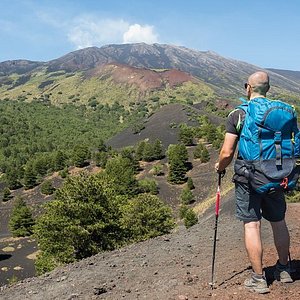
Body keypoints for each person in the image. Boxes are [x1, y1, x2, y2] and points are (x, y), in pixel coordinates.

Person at [215, 71, 293, 294]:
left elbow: (227, 151)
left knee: (252, 224)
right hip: (276, 174)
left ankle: (259, 279)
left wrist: (219, 167)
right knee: (278, 221)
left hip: (249, 177)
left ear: (247, 87)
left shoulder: (239, 114)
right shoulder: (281, 112)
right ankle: (285, 270)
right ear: (267, 88)